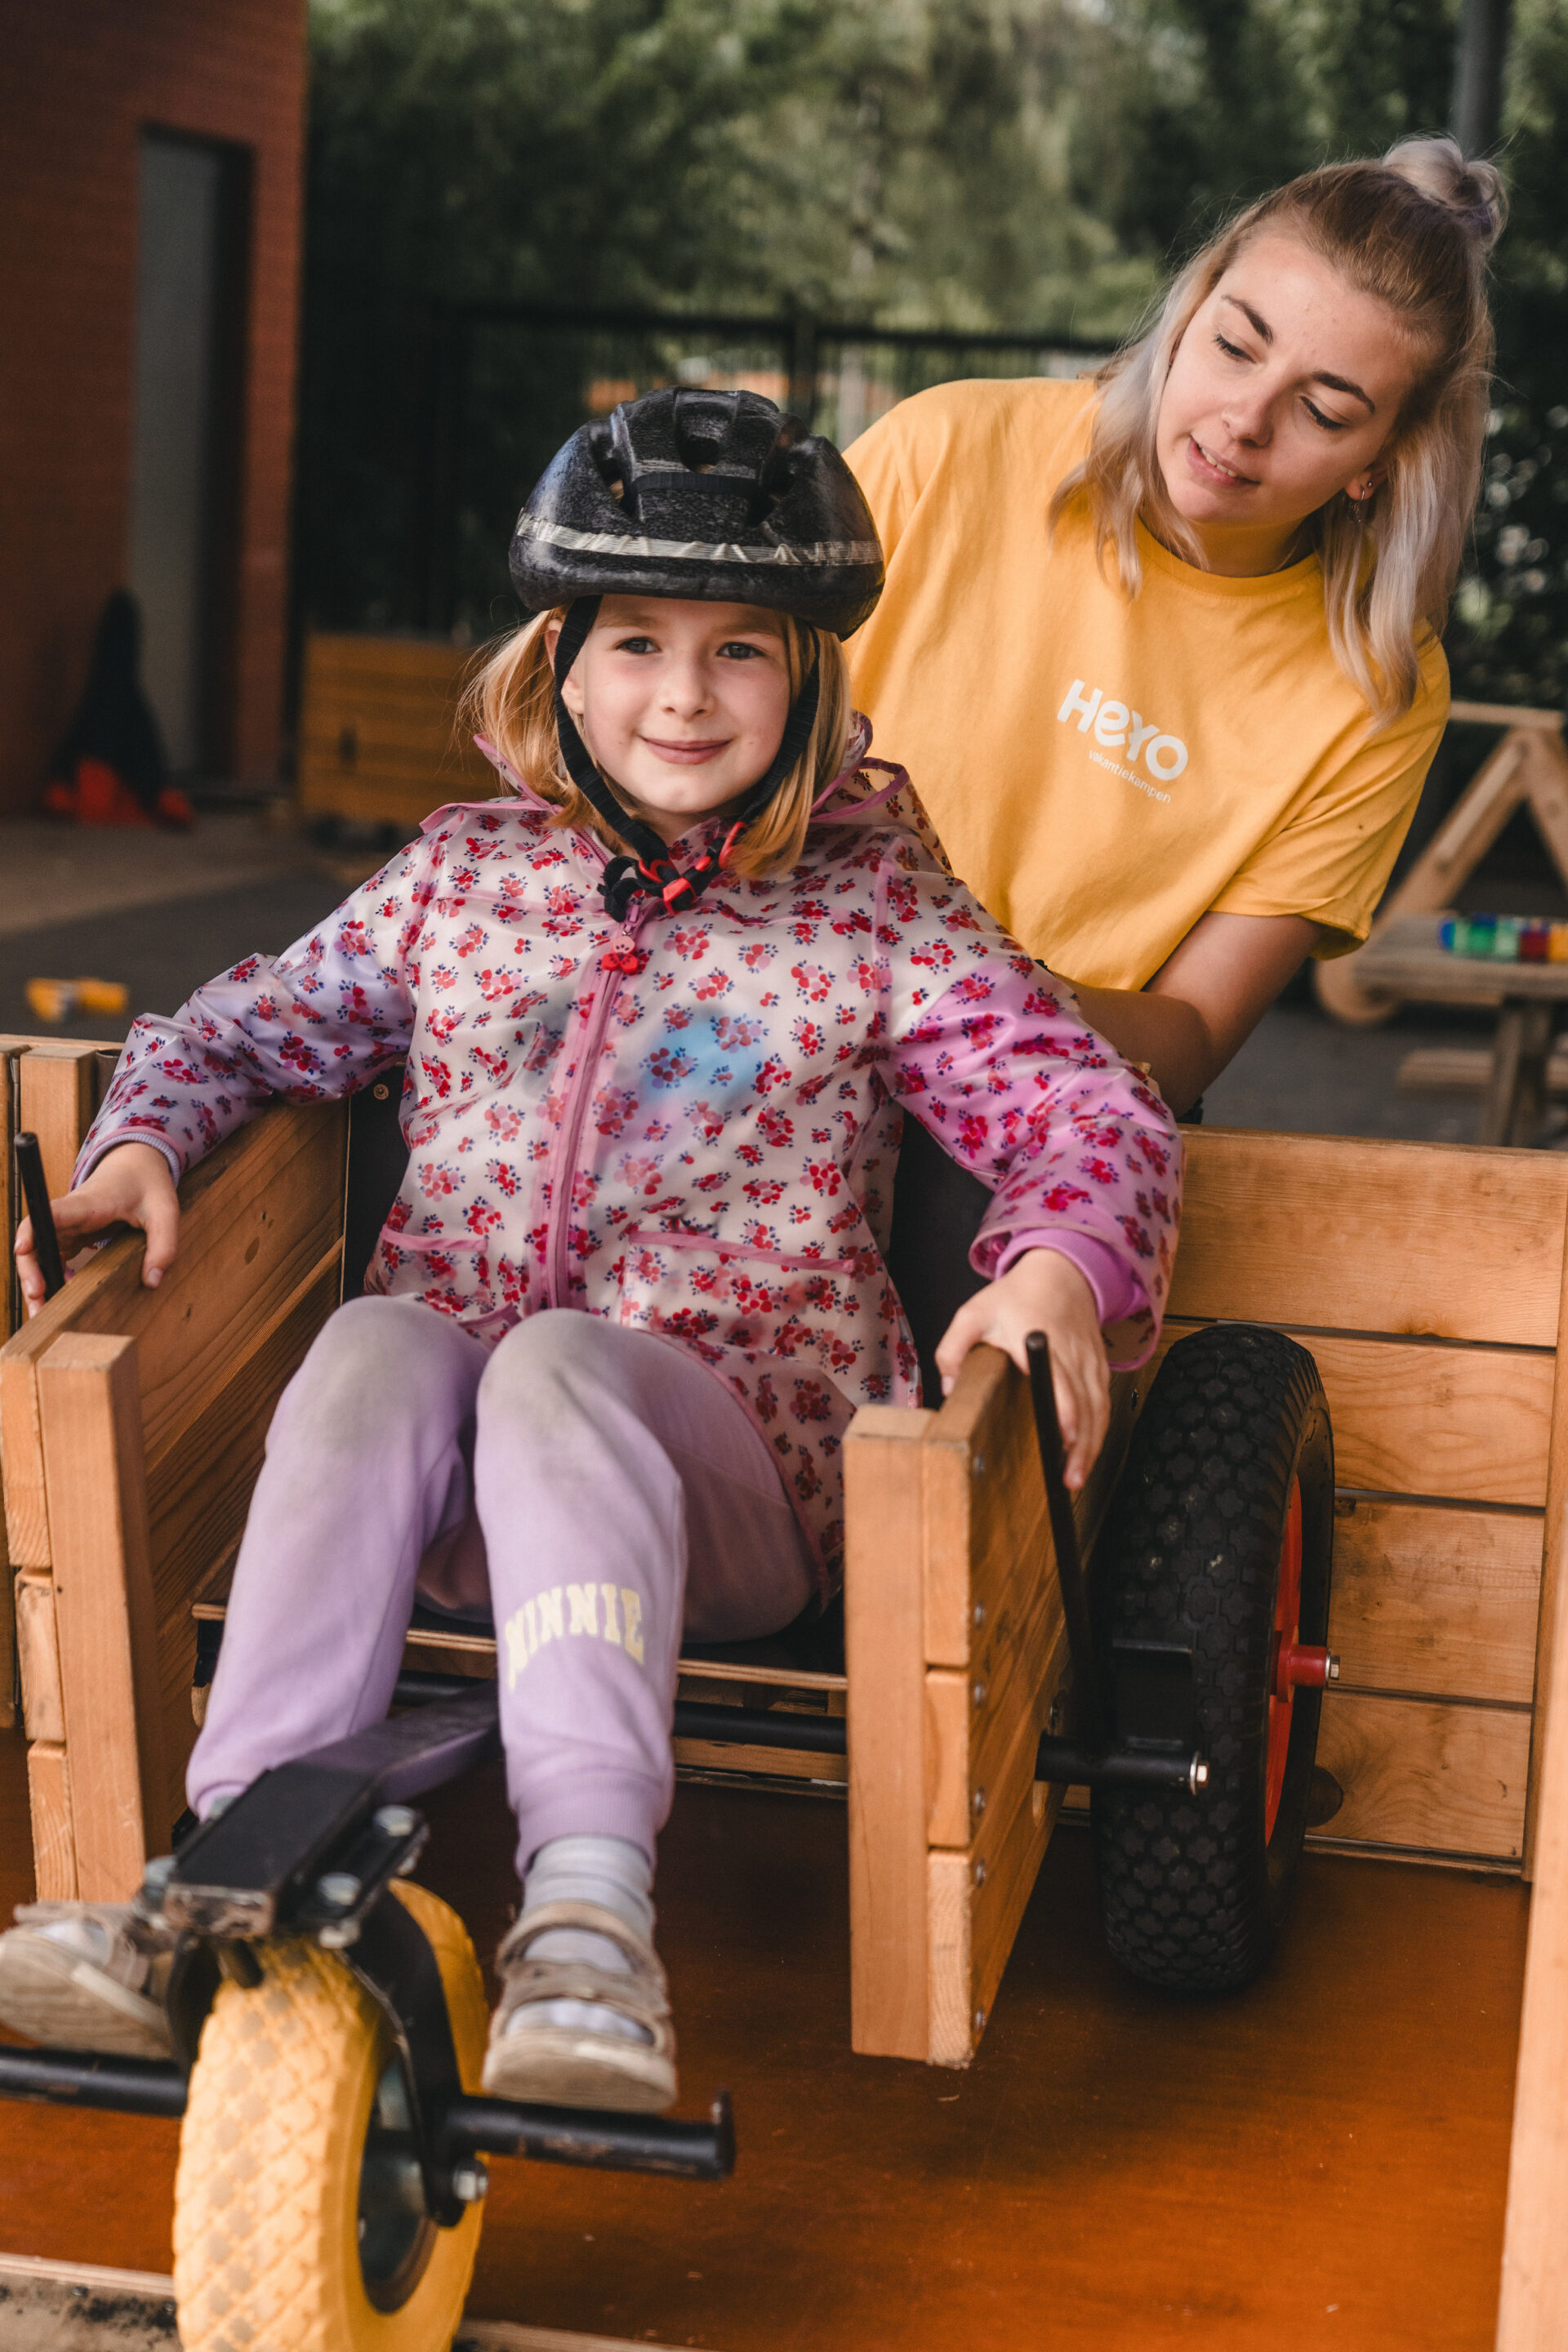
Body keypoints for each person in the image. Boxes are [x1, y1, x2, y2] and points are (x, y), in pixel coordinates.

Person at [0, 390, 1180, 2113]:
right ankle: (221, 1862)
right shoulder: (462, 881)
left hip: (736, 1492)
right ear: (560, 659)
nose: (683, 696)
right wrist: (140, 1135)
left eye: (738, 653)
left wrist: (1063, 1264)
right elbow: (252, 1024)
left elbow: (1088, 1107)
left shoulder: (876, 912)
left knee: (550, 1365)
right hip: (452, 1504)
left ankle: (589, 1925)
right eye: (635, 642)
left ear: (811, 683)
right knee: (376, 1340)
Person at [844, 136, 1507, 1116]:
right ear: (1189, 312)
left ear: (1379, 462)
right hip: (766, 1030)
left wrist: (943, 994)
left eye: (1324, 411)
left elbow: (1191, 1035)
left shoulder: (1377, 684)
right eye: (1235, 347)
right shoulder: (943, 449)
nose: (1244, 419)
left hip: (1057, 1108)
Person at [42, 590, 195, 829]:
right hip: (118, 786)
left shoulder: (98, 695)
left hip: (92, 781)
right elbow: (148, 760)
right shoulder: (131, 702)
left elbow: (73, 748)